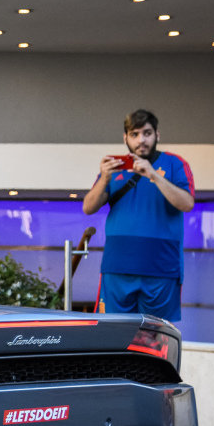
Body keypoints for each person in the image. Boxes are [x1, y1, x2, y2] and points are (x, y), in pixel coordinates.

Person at [83, 109, 195, 321]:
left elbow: (187, 203)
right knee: (113, 334)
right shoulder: (113, 168)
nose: (141, 140)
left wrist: (153, 175)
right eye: (134, 134)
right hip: (117, 267)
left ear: (157, 135)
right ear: (125, 138)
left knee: (155, 338)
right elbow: (88, 207)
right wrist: (104, 178)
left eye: (147, 133)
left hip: (161, 268)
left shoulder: (175, 164)